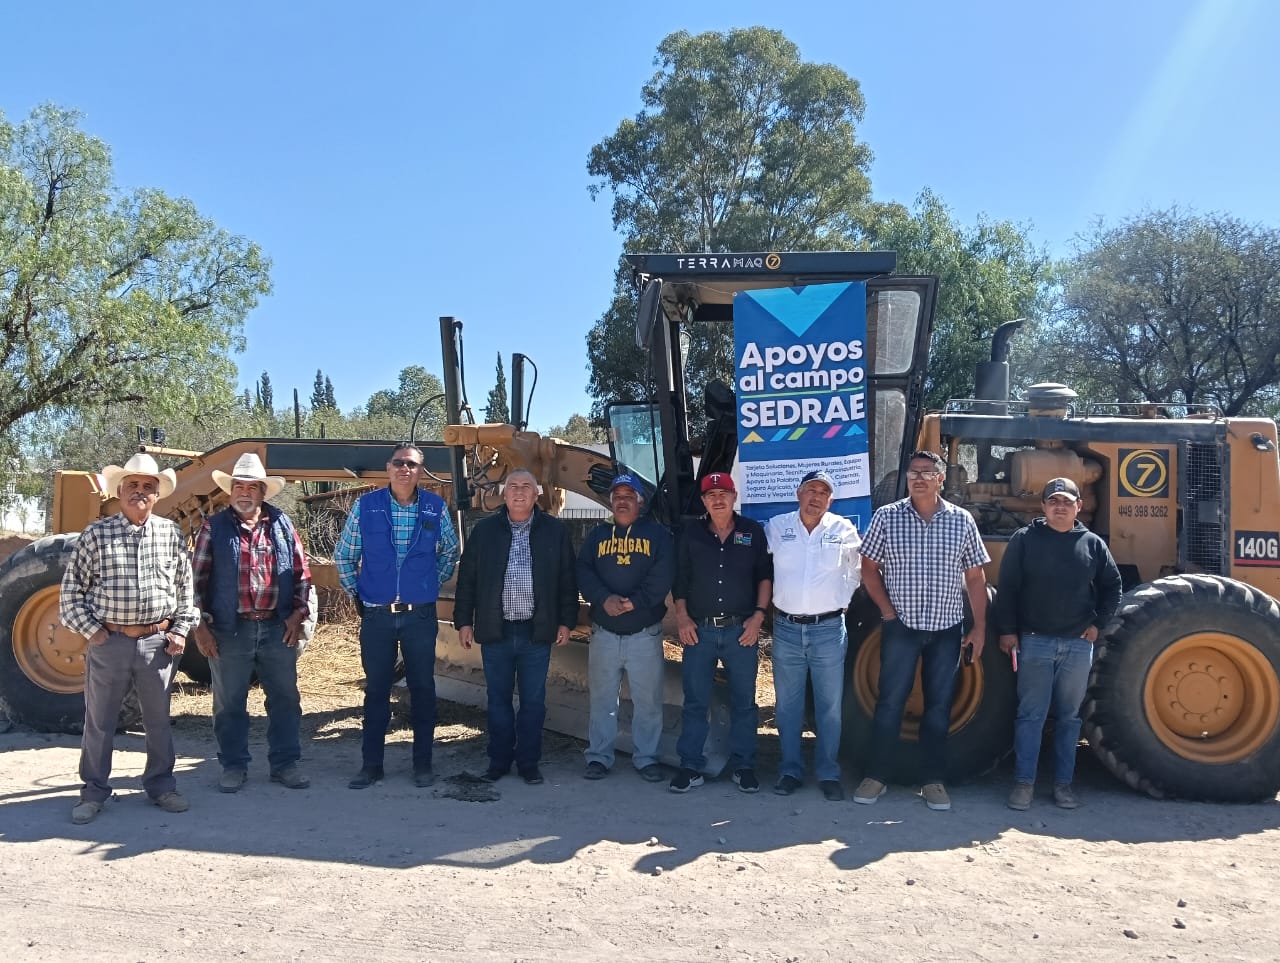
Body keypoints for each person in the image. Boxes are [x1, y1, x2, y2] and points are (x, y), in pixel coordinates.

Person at [60, 452, 198, 824]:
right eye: (133, 485)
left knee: (157, 720)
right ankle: (93, 792)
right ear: (119, 491)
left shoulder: (170, 534)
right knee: (100, 721)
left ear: (158, 495)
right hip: (111, 643)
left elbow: (186, 590)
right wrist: (95, 633)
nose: (140, 492)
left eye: (148, 487)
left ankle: (161, 786)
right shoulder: (96, 534)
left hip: (158, 643)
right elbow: (70, 594)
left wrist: (181, 630)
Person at [855, 450, 991, 812]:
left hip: (947, 629)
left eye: (927, 472)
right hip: (901, 627)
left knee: (938, 708)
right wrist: (886, 611)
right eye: (913, 472)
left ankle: (932, 781)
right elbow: (868, 568)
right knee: (889, 703)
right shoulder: (887, 517)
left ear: (941, 479)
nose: (918, 478)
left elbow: (976, 577)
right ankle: (877, 776)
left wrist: (979, 628)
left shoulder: (961, 521)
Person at [335, 443, 459, 789]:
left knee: (423, 688)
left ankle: (423, 765)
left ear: (422, 471)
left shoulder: (435, 508)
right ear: (388, 469)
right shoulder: (367, 506)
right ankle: (371, 765)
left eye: (412, 464)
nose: (405, 469)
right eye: (399, 463)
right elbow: (344, 556)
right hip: (377, 616)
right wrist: (356, 594)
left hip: (419, 616)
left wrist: (429, 582)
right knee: (376, 690)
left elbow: (450, 549)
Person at [995, 477, 1122, 811]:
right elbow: (1007, 587)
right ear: (1044, 506)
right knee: (1030, 717)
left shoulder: (1092, 544)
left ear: (1079, 506)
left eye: (1067, 501)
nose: (1060, 506)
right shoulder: (1024, 540)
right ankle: (1024, 784)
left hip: (1078, 646)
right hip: (1034, 642)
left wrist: (1098, 625)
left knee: (1069, 719)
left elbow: (1113, 586)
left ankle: (1063, 786)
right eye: (1054, 501)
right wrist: (1007, 631)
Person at [191, 453, 313, 794]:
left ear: (263, 492)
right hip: (230, 630)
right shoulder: (213, 529)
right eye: (238, 486)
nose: (244, 493)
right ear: (231, 491)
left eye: (252, 487)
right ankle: (233, 766)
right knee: (229, 702)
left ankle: (285, 764)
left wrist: (296, 615)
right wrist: (200, 628)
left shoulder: (283, 525)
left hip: (277, 628)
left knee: (285, 698)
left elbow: (303, 575)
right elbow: (193, 584)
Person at [454, 469, 578, 786]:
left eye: (526, 486)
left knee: (533, 702)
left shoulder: (554, 531)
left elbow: (567, 580)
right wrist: (464, 621)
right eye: (513, 487)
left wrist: (566, 621)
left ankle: (528, 763)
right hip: (496, 632)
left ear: (537, 495)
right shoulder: (484, 531)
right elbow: (467, 579)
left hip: (536, 633)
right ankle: (498, 761)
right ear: (504, 495)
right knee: (497, 701)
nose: (519, 491)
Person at [671, 472, 773, 794]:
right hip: (698, 632)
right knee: (695, 702)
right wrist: (683, 619)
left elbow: (764, 578)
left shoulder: (752, 533)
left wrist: (758, 617)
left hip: (740, 632)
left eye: (723, 493)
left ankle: (744, 766)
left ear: (734, 497)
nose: (718, 499)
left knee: (744, 703)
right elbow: (680, 580)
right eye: (711, 494)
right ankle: (691, 766)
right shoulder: (690, 534)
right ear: (703, 501)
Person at [764, 469, 862, 800]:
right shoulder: (777, 527)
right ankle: (790, 770)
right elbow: (761, 568)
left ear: (830, 500)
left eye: (823, 492)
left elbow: (856, 570)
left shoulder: (843, 529)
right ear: (798, 494)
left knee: (829, 707)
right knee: (787, 707)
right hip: (787, 629)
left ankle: (828, 773)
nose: (816, 496)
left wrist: (842, 600)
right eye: (811, 490)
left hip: (829, 631)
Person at [576, 472, 675, 782]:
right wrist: (603, 599)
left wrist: (636, 601)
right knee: (603, 699)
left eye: (628, 496)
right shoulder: (597, 535)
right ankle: (599, 756)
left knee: (648, 702)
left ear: (639, 501)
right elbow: (583, 569)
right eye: (617, 496)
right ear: (610, 501)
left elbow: (664, 574)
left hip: (644, 634)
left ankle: (646, 758)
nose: (622, 501)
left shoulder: (657, 535)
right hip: (604, 633)